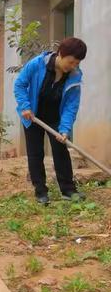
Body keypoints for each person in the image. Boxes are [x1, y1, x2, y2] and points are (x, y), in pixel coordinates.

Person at [14, 37, 87, 205]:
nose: (73, 66)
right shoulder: (37, 64)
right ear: (61, 54)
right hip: (33, 115)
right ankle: (41, 192)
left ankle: (68, 190)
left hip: (56, 118)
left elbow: (71, 106)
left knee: (61, 151)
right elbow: (20, 84)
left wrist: (65, 129)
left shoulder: (75, 76)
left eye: (77, 63)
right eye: (71, 62)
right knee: (35, 153)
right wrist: (25, 106)